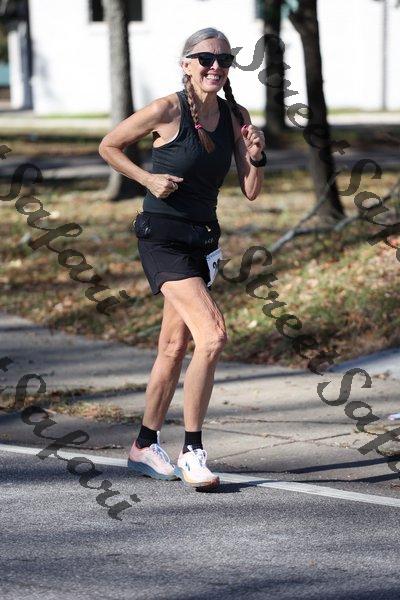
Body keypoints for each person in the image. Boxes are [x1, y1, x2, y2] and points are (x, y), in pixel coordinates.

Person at [98, 27, 266, 491]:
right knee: (213, 336)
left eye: (224, 60)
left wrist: (256, 155)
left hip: (202, 242)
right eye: (206, 58)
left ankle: (143, 445)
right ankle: (192, 450)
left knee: (173, 348)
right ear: (186, 64)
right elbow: (108, 145)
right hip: (162, 238)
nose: (216, 67)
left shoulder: (235, 116)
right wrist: (147, 180)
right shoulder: (165, 110)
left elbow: (251, 191)